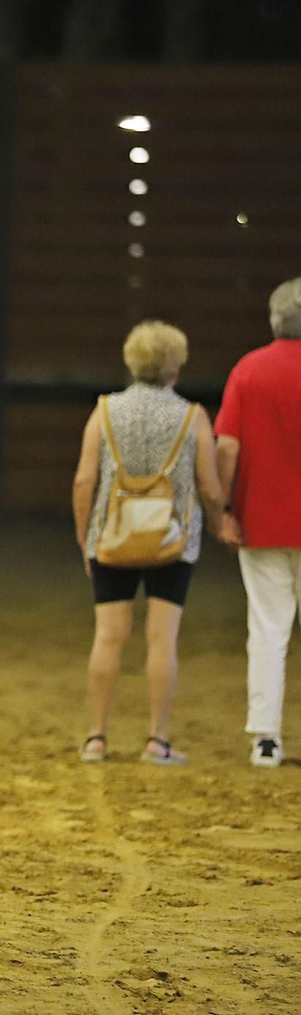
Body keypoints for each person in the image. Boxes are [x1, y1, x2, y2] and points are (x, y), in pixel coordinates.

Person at [71, 321, 226, 767]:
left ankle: (97, 737)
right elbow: (209, 486)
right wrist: (220, 522)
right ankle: (157, 740)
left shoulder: (104, 411)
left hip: (112, 536)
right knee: (162, 639)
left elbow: (84, 480)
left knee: (108, 635)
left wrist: (85, 536)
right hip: (172, 540)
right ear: (175, 367)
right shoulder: (192, 416)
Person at [214, 278, 301, 768]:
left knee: (268, 629)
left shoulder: (249, 370)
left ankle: (266, 738)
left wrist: (224, 508)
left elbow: (227, 446)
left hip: (261, 523)